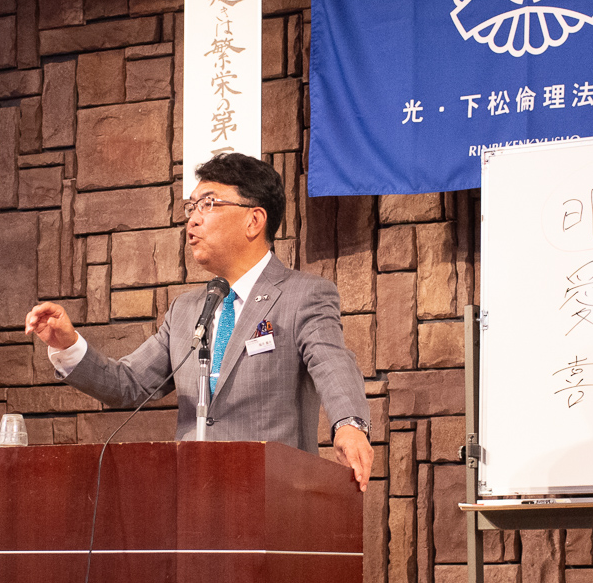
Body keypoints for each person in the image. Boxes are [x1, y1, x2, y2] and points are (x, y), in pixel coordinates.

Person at [25, 153, 373, 491]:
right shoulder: (186, 310)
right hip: (192, 497)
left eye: (208, 204)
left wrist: (349, 425)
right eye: (191, 207)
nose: (192, 220)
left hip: (273, 496)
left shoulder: (303, 295)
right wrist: (67, 346)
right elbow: (128, 384)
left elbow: (332, 362)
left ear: (254, 220)